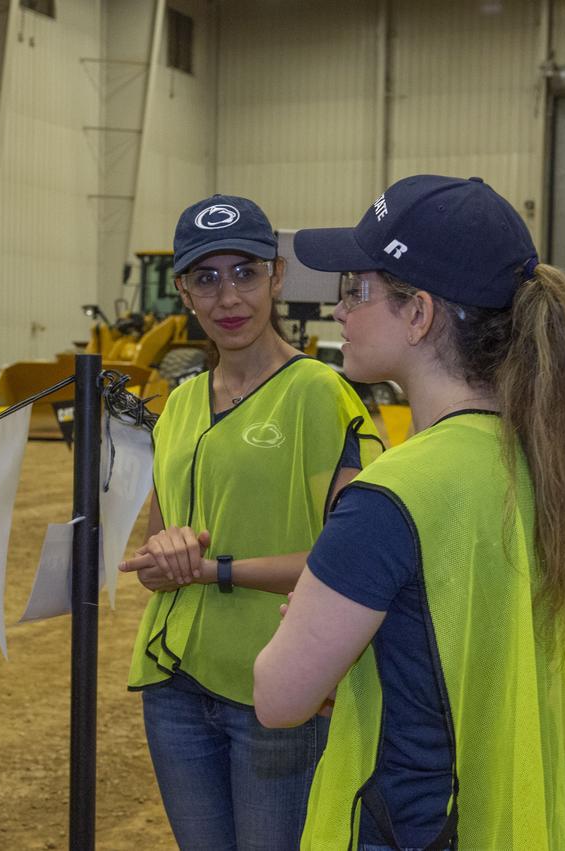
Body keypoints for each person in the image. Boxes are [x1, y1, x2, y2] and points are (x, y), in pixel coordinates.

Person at [254, 175, 565, 850]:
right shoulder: (537, 460)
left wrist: (325, 628)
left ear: (418, 313)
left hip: (415, 825)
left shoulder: (386, 497)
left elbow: (278, 697)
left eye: (354, 288)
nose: (338, 311)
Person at [120, 194, 382, 850]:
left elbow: (352, 561)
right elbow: (158, 557)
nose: (227, 296)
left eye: (244, 271)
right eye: (205, 278)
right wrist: (166, 553)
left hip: (279, 689)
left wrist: (210, 568)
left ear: (277, 276)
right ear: (182, 290)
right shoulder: (178, 404)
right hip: (174, 687)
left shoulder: (319, 395)